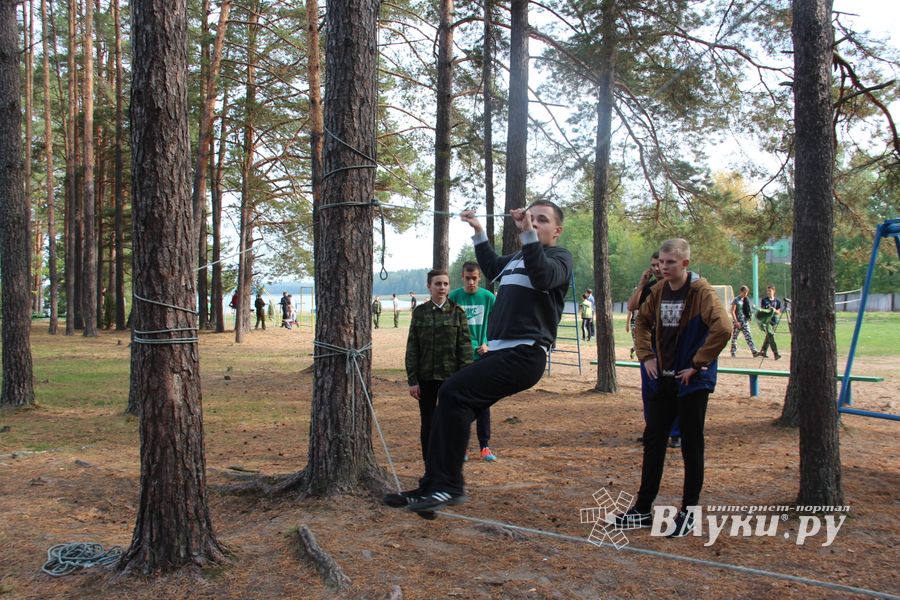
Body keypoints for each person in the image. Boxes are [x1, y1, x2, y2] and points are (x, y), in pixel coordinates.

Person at [385, 200, 572, 518]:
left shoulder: (558, 258)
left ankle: (451, 487)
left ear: (557, 230)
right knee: (448, 404)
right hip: (501, 352)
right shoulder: (517, 258)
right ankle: (432, 486)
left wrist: (525, 232)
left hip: (525, 353)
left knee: (454, 392)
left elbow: (541, 276)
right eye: (532, 218)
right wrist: (478, 231)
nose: (535, 223)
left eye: (543, 220)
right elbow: (493, 266)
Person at [617, 238, 730, 537]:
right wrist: (646, 356)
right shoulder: (657, 291)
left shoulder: (701, 293)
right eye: (661, 262)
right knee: (654, 441)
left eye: (670, 262)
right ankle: (642, 509)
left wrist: (699, 363)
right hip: (662, 380)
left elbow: (724, 328)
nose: (663, 268)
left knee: (691, 445)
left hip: (692, 382)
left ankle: (688, 513)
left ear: (684, 264)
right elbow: (640, 322)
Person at [405, 269, 472, 465]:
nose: (442, 287)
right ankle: (430, 463)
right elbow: (412, 348)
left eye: (445, 284)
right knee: (428, 422)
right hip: (426, 378)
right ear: (429, 286)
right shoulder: (420, 313)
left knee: (450, 421)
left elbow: (465, 348)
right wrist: (412, 380)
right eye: (437, 284)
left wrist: (464, 379)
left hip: (451, 379)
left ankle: (448, 462)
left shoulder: (458, 313)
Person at [626, 252, 681, 448]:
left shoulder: (677, 288)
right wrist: (642, 283)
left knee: (671, 391)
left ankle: (675, 433)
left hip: (670, 348)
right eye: (654, 265)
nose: (658, 268)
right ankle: (653, 430)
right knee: (650, 391)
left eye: (661, 264)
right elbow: (632, 307)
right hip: (650, 348)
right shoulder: (649, 289)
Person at [448, 261, 498, 462]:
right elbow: (448, 325)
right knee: (461, 403)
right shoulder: (454, 297)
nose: (471, 282)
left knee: (483, 402)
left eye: (474, 278)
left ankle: (484, 446)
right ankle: (462, 447)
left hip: (482, 357)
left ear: (480, 278)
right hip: (460, 358)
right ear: (462, 278)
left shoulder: (488, 298)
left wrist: (488, 344)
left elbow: (498, 325)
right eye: (467, 278)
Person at [729, 285, 758, 357]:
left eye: (746, 293)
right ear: (741, 292)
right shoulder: (736, 300)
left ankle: (754, 351)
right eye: (744, 293)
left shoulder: (745, 299)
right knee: (735, 337)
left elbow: (747, 310)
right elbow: (732, 311)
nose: (745, 294)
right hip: (737, 321)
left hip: (744, 321)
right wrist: (735, 321)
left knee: (748, 336)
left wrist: (748, 317)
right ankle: (733, 351)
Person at [758, 285, 782, 360]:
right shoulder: (764, 300)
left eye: (770, 291)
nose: (768, 292)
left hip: (774, 321)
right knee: (771, 336)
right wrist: (769, 310)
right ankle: (776, 353)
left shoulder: (777, 301)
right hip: (767, 321)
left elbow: (779, 312)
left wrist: (774, 310)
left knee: (769, 337)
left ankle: (763, 351)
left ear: (774, 291)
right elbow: (762, 310)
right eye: (767, 291)